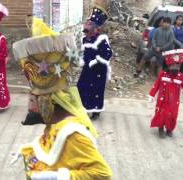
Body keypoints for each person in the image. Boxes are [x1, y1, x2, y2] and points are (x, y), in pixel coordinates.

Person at [11, 19, 112, 180]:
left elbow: (102, 174)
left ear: (47, 100)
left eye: (32, 101)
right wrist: (28, 150)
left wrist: (58, 177)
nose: (29, 108)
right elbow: (50, 144)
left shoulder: (72, 133)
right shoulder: (54, 120)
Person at [148, 49, 183, 138]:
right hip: (163, 100)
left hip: (174, 102)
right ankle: (161, 129)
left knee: (173, 115)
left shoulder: (181, 76)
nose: (176, 68)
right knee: (162, 114)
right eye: (173, 65)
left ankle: (169, 129)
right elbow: (156, 85)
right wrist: (151, 95)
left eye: (177, 66)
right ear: (169, 65)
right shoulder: (162, 75)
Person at [77, 0, 112, 120]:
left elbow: (108, 54)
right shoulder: (85, 39)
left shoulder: (102, 39)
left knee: (96, 88)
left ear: (96, 28)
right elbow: (84, 52)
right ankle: (83, 108)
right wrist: (82, 59)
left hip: (98, 70)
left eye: (90, 25)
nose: (87, 27)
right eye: (88, 24)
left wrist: (96, 60)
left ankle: (96, 111)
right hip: (87, 68)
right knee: (82, 86)